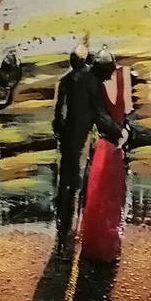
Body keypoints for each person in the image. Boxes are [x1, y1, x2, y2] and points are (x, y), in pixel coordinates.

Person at [52, 42, 123, 247]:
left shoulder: (66, 79)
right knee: (78, 185)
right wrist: (119, 131)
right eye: (108, 72)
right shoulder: (91, 82)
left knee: (65, 185)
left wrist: (60, 131)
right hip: (80, 141)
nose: (109, 77)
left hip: (66, 141)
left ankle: (62, 232)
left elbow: (58, 115)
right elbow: (99, 115)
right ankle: (71, 234)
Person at [79, 49, 133, 262]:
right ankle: (106, 246)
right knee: (109, 194)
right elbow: (121, 111)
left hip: (103, 144)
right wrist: (122, 133)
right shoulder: (118, 78)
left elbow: (100, 116)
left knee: (98, 194)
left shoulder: (93, 83)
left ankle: (95, 246)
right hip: (112, 143)